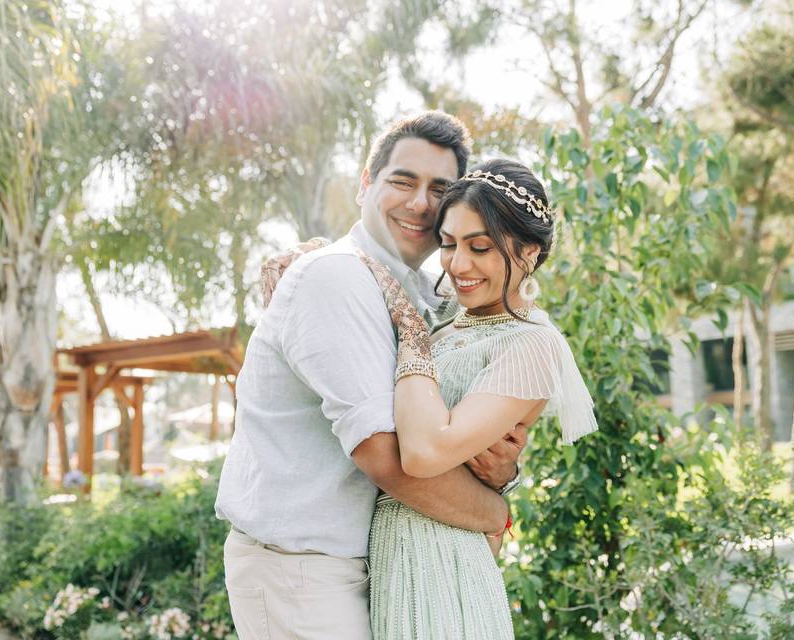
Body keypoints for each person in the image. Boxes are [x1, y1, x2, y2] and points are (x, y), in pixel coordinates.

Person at [214, 112, 526, 640]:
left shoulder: (430, 296)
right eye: (402, 181)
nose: (420, 203)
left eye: (439, 190)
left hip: (375, 564)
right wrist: (497, 512)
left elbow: (461, 432)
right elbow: (387, 458)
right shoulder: (335, 277)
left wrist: (502, 469)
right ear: (365, 183)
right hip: (303, 571)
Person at [358, 158, 598, 638]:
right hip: (391, 553)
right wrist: (313, 255)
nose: (458, 265)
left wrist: (411, 334)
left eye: (480, 247)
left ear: (528, 251)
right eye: (448, 245)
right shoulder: (445, 312)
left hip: (444, 560)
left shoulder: (532, 344)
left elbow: (426, 453)